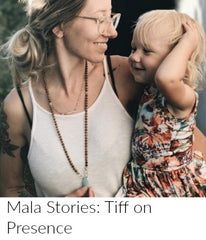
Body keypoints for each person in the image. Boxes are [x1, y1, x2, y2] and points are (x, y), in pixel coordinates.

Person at [0, 0, 142, 197]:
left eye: (111, 18)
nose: (112, 32)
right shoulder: (19, 107)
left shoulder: (125, 76)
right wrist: (57, 214)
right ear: (60, 26)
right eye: (100, 19)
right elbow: (10, 191)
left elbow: (186, 143)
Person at [122, 9, 206, 197]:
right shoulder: (150, 90)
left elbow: (166, 77)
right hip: (145, 183)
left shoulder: (183, 97)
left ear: (176, 56)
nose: (134, 57)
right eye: (134, 48)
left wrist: (188, 41)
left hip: (172, 189)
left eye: (147, 51)